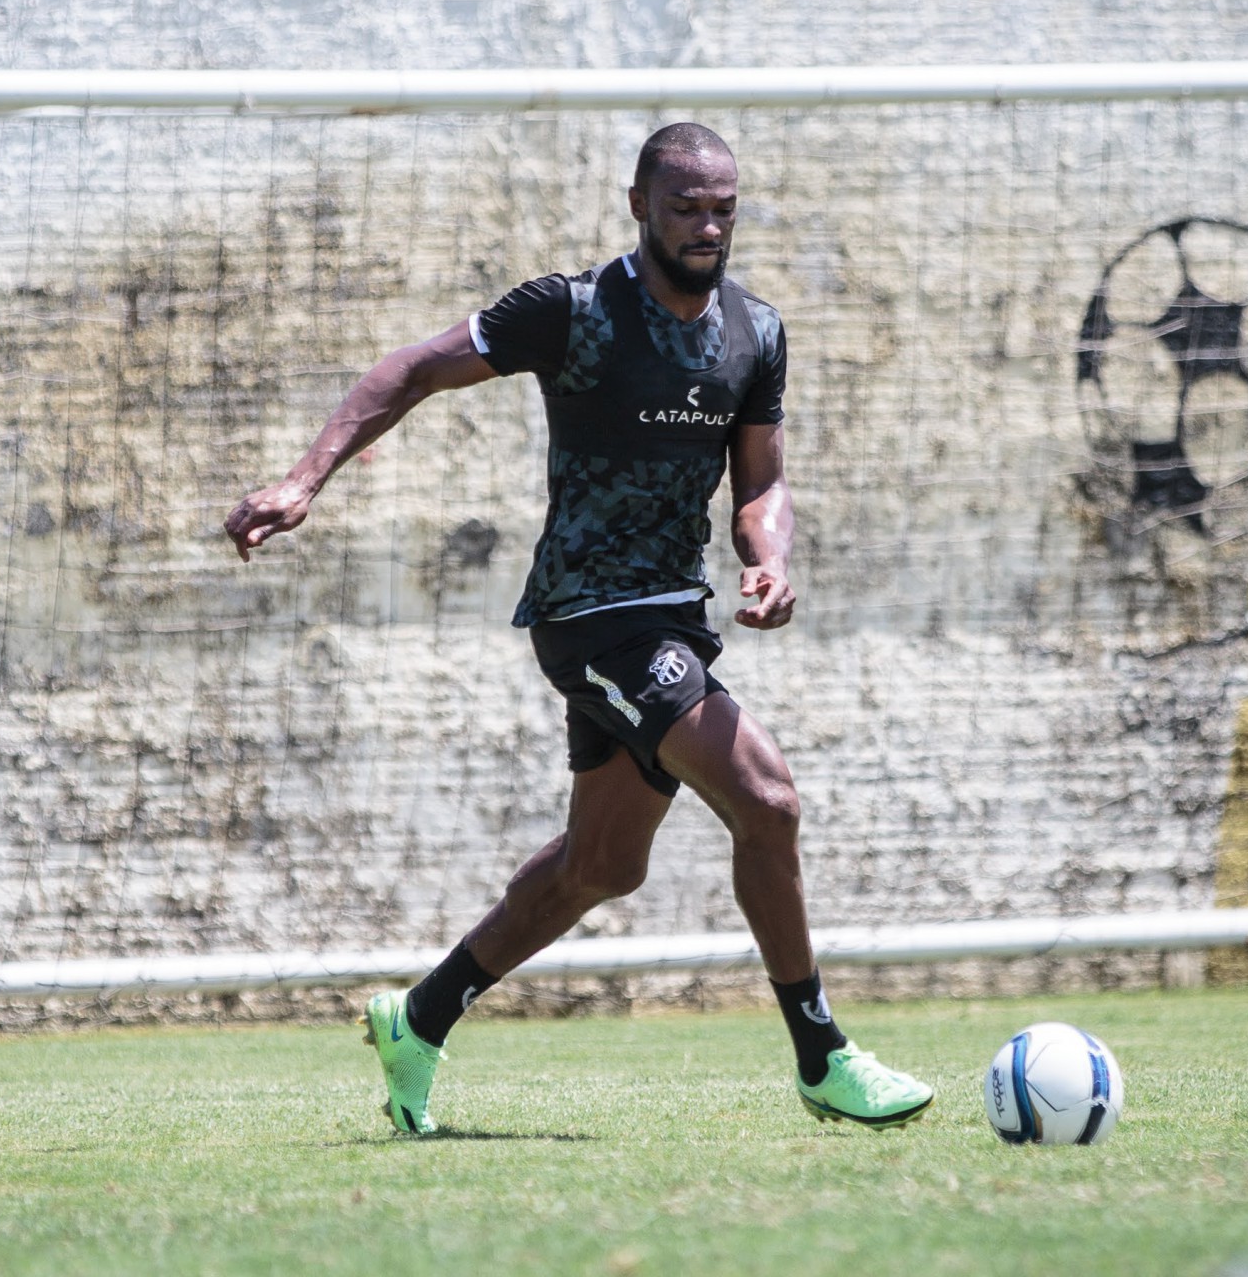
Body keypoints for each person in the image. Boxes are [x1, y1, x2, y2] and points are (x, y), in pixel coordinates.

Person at [224, 123, 933, 1136]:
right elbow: (411, 370)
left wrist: (769, 556)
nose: (708, 226)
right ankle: (823, 1056)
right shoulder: (574, 310)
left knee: (602, 866)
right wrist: (303, 481)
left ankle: (419, 1018)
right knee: (767, 798)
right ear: (640, 205)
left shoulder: (755, 331)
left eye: (723, 207)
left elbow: (761, 484)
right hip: (589, 615)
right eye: (686, 207)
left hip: (672, 616)